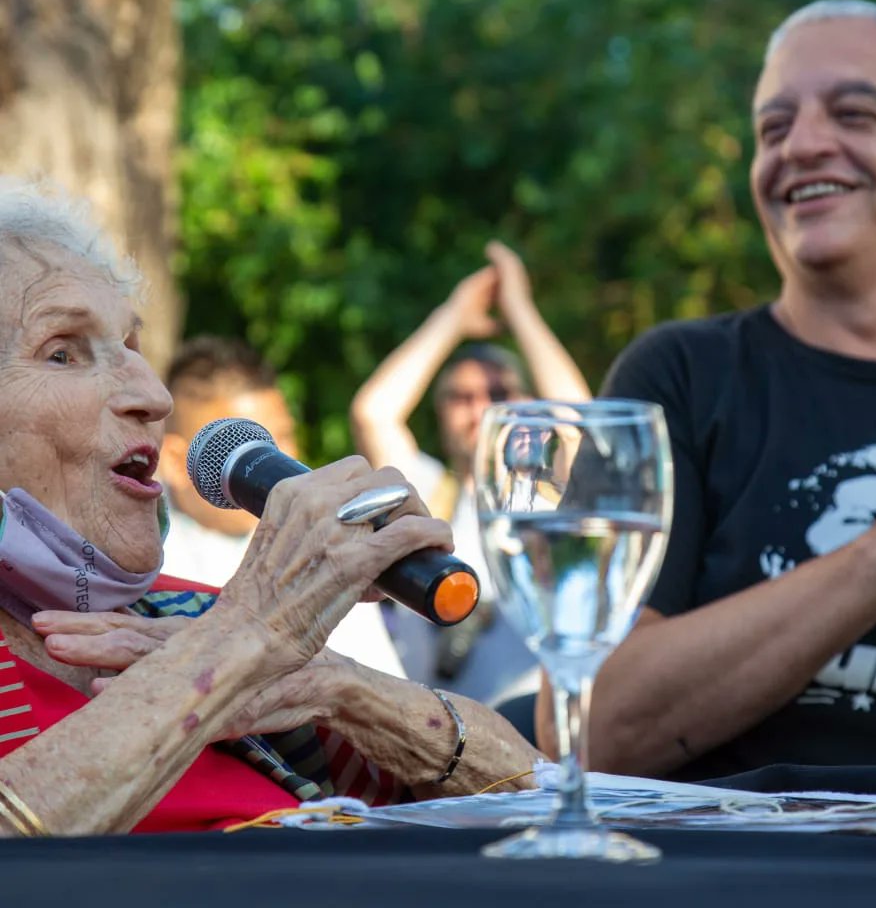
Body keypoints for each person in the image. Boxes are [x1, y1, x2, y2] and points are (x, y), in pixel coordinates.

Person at [0, 177, 538, 837]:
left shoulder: (187, 615)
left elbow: (538, 794)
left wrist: (342, 690)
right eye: (62, 352)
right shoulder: (230, 630)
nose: (153, 395)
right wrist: (246, 637)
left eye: (133, 349)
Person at [538, 0, 876, 782]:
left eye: (855, 113)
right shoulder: (678, 378)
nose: (801, 146)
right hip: (734, 869)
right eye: (773, 129)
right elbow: (585, 731)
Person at [350, 242, 591, 704]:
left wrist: (520, 309)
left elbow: (578, 423)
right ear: (440, 411)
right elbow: (372, 413)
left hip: (535, 730)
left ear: (527, 404)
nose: (481, 409)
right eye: (461, 397)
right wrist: (453, 315)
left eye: (499, 392)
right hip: (434, 731)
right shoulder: (425, 493)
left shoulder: (549, 499)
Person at [159, 335, 405, 677]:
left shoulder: (326, 537)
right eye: (246, 449)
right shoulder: (145, 561)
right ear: (175, 461)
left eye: (282, 437)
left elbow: (386, 682)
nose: (279, 461)